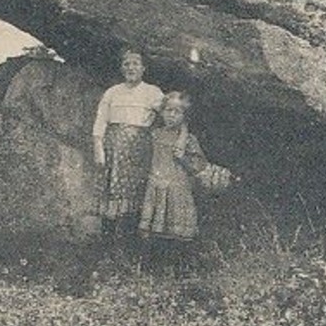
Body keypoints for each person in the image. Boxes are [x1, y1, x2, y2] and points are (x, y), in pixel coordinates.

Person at [137, 90, 232, 273]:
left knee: (177, 231)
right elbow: (146, 159)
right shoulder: (155, 135)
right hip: (156, 186)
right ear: (162, 112)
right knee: (155, 230)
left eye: (177, 112)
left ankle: (177, 269)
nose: (171, 115)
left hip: (178, 188)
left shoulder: (188, 140)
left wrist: (183, 158)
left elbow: (199, 166)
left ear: (184, 115)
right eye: (168, 111)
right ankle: (153, 270)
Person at [91, 47, 164, 239]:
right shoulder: (113, 92)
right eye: (126, 64)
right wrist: (98, 148)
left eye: (135, 64)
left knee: (136, 192)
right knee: (111, 191)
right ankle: (107, 241)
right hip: (113, 148)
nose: (131, 68)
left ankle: (130, 241)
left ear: (143, 68)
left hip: (139, 149)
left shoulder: (152, 92)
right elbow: (101, 120)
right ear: (121, 68)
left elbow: (167, 114)